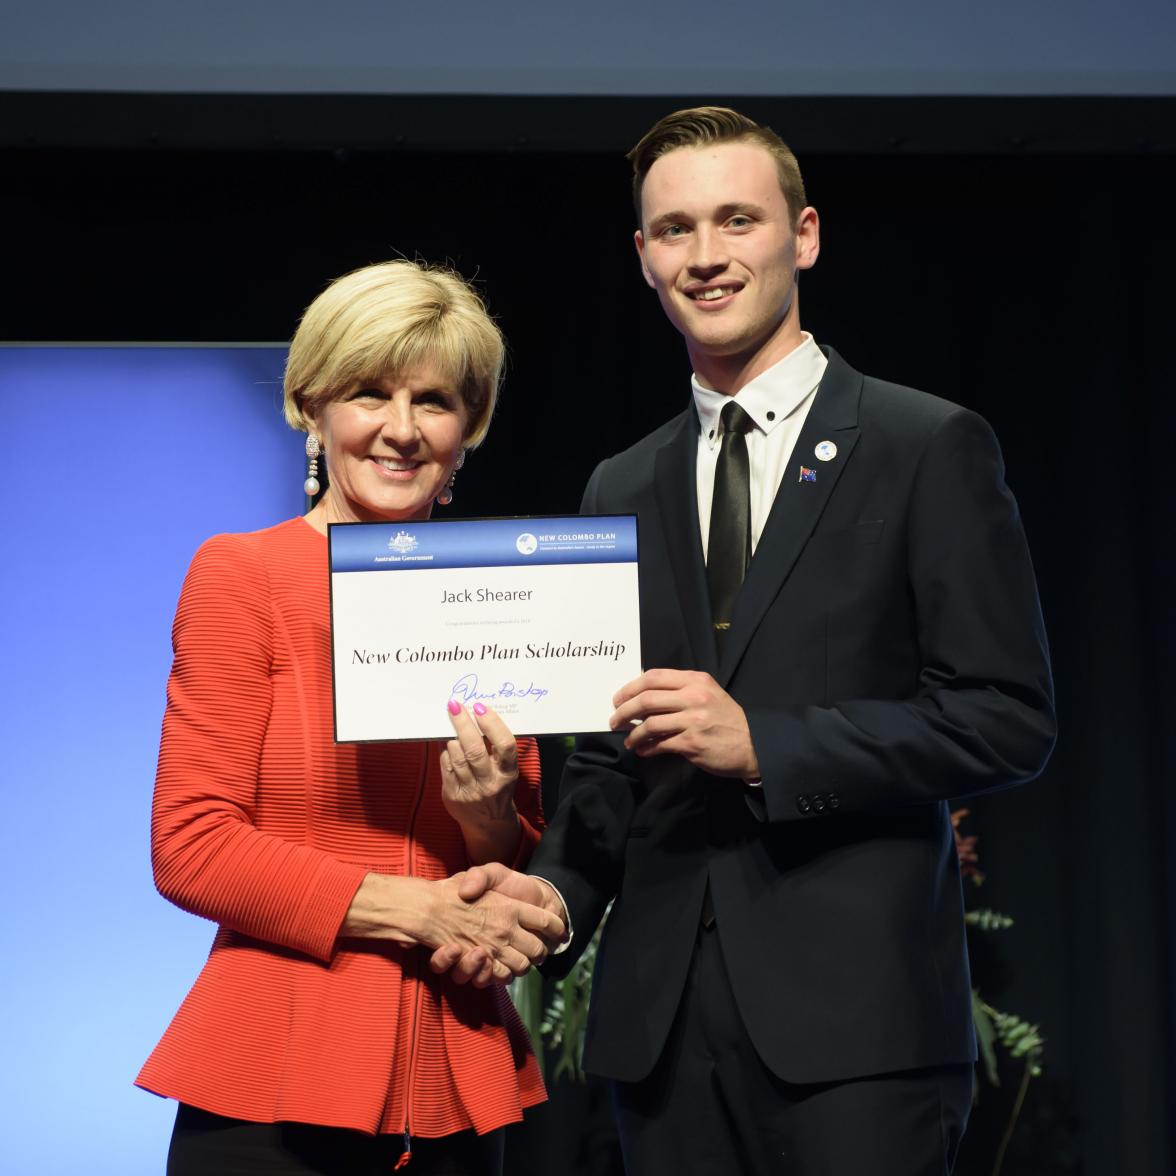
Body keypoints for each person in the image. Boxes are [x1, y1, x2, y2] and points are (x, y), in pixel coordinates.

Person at [443, 107, 1056, 1174]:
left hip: (860, 1038)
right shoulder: (620, 483)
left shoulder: (925, 445)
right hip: (665, 1033)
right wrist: (552, 894)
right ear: (643, 259)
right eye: (675, 230)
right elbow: (608, 761)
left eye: (738, 220)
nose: (708, 255)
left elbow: (1007, 718)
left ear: (804, 235)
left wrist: (766, 746)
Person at [136, 260, 565, 1176]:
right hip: (276, 1073)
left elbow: (505, 868)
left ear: (471, 427)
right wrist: (421, 915)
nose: (402, 430)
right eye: (371, 392)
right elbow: (191, 843)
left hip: (457, 1077)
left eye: (437, 401)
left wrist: (487, 813)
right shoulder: (240, 574)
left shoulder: (497, 596)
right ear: (312, 405)